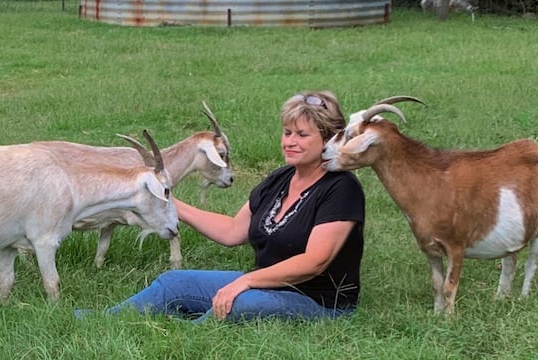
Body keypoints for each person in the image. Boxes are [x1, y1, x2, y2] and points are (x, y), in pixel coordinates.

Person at [80, 91, 366, 323]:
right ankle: (105, 319)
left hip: (318, 302)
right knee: (173, 283)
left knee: (240, 305)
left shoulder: (341, 188)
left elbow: (314, 261)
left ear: (329, 140)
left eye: (302, 135)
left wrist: (246, 282)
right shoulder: (281, 178)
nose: (290, 142)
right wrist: (168, 202)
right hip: (264, 285)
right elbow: (232, 231)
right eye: (287, 132)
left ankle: (184, 335)